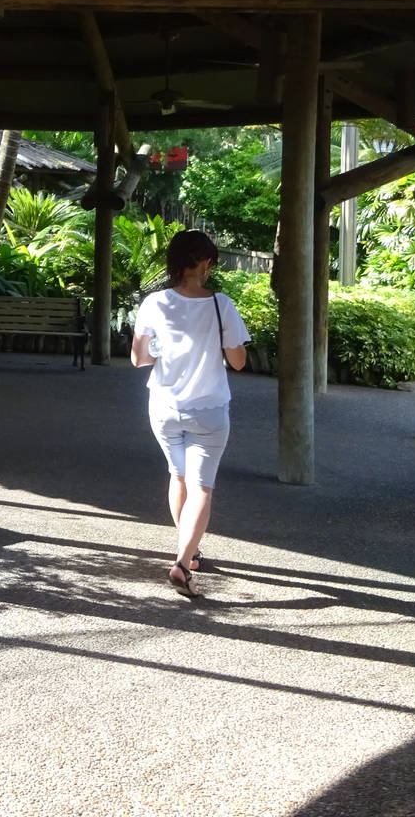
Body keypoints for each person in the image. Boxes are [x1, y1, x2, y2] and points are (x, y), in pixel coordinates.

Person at [130, 229, 249, 598]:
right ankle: (183, 562)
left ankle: (190, 549)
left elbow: (139, 358)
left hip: (163, 406)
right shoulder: (220, 304)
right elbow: (239, 361)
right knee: (202, 486)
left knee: (177, 476)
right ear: (204, 263)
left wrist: (166, 350)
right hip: (210, 408)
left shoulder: (154, 303)